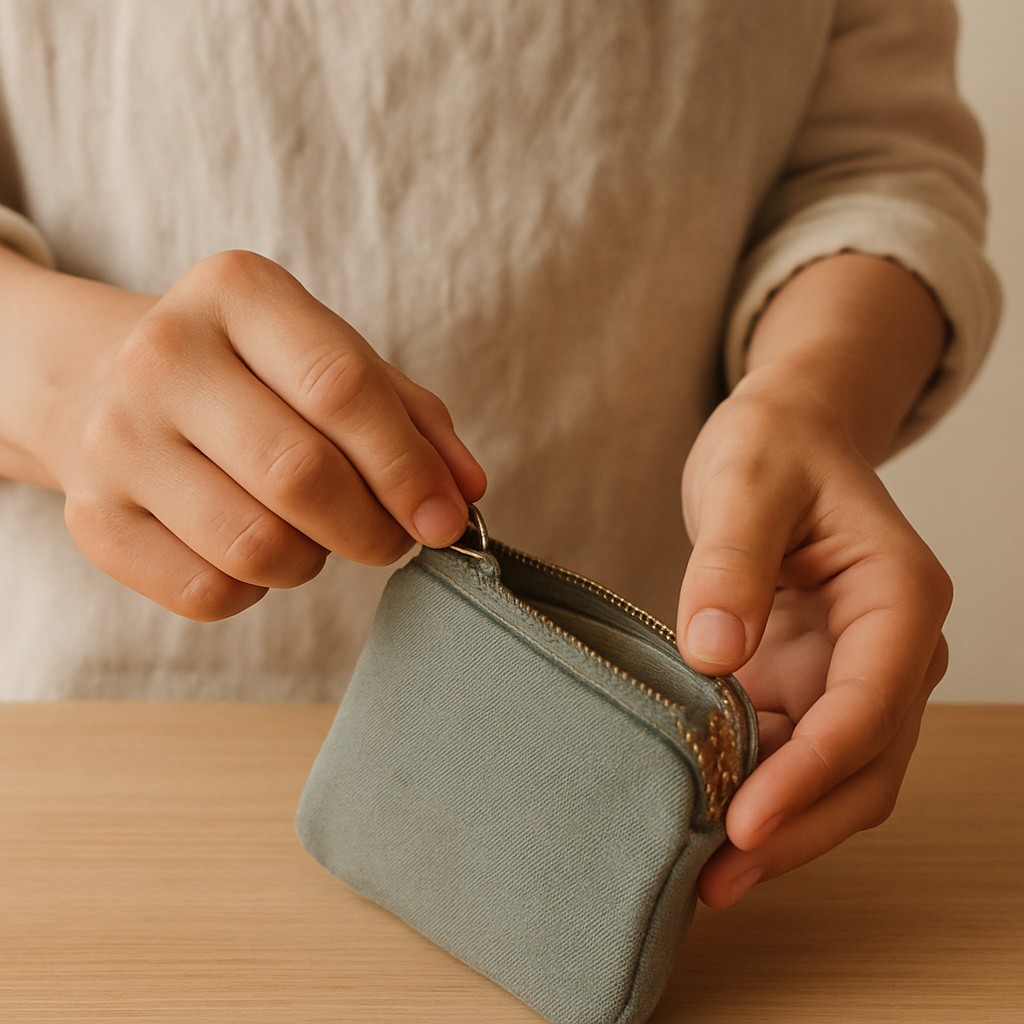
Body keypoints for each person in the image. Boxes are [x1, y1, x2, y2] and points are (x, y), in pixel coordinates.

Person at [0, 0, 1000, 909]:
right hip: (90, 750)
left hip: (667, 707)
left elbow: (877, 165)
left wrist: (811, 398)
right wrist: (59, 382)